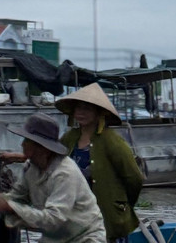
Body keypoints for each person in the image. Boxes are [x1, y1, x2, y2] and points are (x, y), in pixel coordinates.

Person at [0, 113, 106, 243]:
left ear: (41, 148)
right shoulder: (31, 168)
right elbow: (15, 198)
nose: (22, 144)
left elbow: (53, 219)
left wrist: (8, 206)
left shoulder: (65, 174)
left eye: (27, 141)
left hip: (85, 236)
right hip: (58, 238)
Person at [56, 83, 144, 243]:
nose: (81, 112)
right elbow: (52, 161)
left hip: (106, 217)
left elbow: (134, 179)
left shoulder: (112, 141)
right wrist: (20, 158)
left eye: (87, 109)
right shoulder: (70, 138)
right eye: (78, 108)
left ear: (99, 113)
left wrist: (120, 203)